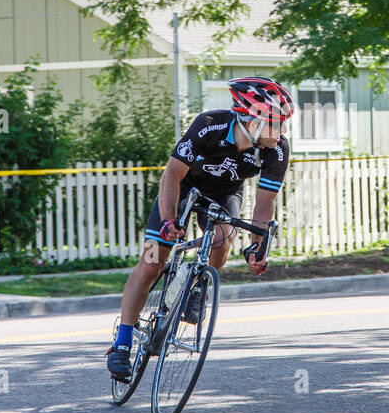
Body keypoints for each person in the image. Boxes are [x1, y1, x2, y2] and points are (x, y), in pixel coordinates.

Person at [106, 76, 294, 380]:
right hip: (182, 189)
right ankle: (121, 344)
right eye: (277, 122)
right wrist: (169, 222)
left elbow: (264, 206)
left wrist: (258, 248)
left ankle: (197, 287)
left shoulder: (277, 149)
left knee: (222, 240)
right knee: (152, 263)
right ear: (253, 119)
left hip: (225, 193)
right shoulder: (208, 125)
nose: (282, 131)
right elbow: (171, 178)